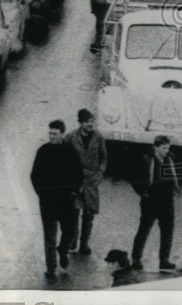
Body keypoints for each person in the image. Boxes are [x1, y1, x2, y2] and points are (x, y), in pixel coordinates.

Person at [30, 119, 84, 282]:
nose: (51, 136)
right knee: (49, 238)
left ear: (62, 134)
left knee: (69, 231)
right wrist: (42, 194)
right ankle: (51, 268)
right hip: (48, 203)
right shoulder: (43, 151)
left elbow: (78, 173)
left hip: (66, 202)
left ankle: (63, 250)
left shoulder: (69, 152)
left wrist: (74, 191)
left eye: (55, 133)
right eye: (50, 133)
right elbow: (35, 176)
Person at [130, 135, 181, 272]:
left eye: (168, 148)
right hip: (150, 201)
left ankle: (164, 261)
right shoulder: (146, 159)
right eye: (164, 148)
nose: (166, 150)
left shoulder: (171, 159)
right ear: (155, 147)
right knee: (144, 230)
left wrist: (176, 188)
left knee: (167, 232)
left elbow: (179, 174)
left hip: (167, 200)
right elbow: (134, 177)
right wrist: (142, 192)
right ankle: (136, 259)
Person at [65, 108, 107, 255]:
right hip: (75, 181)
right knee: (74, 213)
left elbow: (104, 157)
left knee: (89, 215)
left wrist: (100, 173)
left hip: (91, 182)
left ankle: (84, 244)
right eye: (87, 122)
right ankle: (73, 242)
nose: (90, 124)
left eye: (91, 121)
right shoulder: (70, 138)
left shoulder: (98, 137)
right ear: (80, 122)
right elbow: (62, 158)